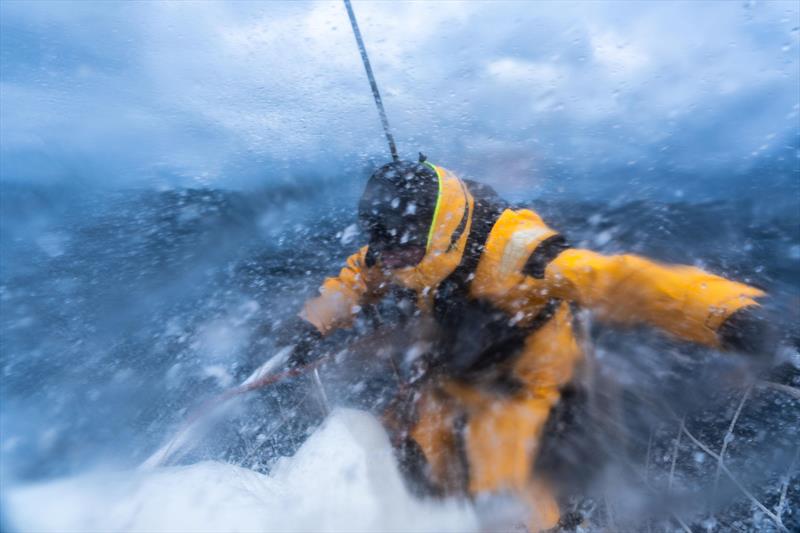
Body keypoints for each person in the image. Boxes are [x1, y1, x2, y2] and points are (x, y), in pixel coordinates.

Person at [274, 156, 772, 530]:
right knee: (403, 461)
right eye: (380, 245)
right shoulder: (404, 245)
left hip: (522, 382)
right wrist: (311, 326)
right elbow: (358, 277)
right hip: (450, 373)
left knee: (508, 504)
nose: (386, 259)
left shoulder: (518, 252)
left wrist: (731, 318)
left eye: (398, 249)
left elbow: (619, 281)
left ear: (437, 232)